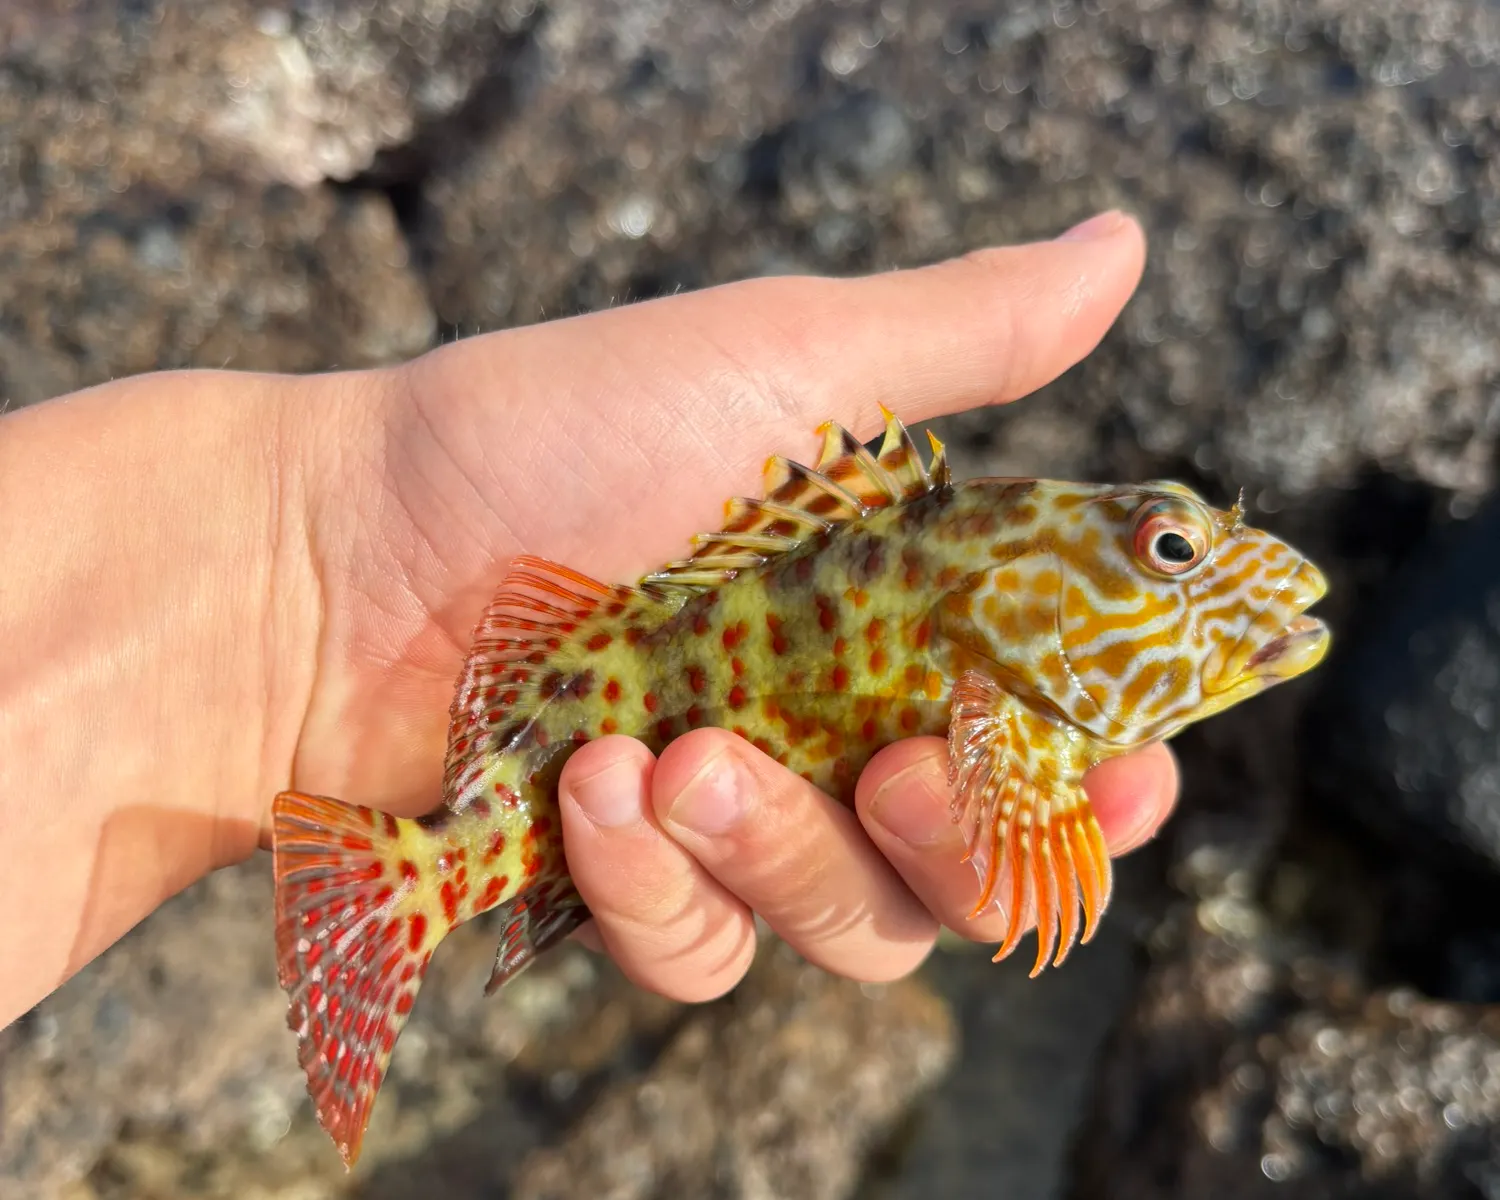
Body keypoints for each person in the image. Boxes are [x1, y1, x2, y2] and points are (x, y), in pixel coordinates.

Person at [0, 209, 1177, 1027]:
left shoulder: (1006, 666)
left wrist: (303, 572)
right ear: (1029, 597)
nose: (1222, 587)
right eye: (1172, 553)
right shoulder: (998, 648)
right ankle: (423, 877)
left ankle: (430, 874)